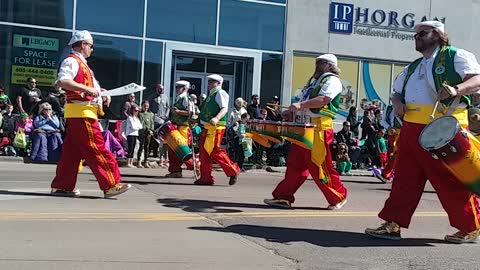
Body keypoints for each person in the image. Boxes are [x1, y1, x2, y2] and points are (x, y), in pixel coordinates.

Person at [365, 21, 480, 243]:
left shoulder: (456, 55)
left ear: (438, 35)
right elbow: (396, 92)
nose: (416, 37)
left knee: (448, 180)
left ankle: (470, 226)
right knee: (404, 179)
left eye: (422, 33)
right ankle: (393, 223)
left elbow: (476, 79)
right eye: (416, 34)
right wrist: (397, 103)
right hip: (411, 128)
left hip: (442, 127)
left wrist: (456, 90)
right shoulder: (414, 66)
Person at [51, 30, 131, 198]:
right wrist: (89, 90)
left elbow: (87, 88)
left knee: (71, 154)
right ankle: (111, 184)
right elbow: (62, 81)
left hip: (79, 113)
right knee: (97, 148)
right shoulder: (71, 61)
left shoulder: (82, 64)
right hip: (82, 113)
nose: (92, 49)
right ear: (82, 45)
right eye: (90, 46)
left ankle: (62, 186)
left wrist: (100, 93)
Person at [264, 54, 347, 209]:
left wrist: (300, 105)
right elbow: (305, 104)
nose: (316, 65)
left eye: (320, 63)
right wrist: (291, 113)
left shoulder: (332, 80)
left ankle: (338, 195)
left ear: (329, 65)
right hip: (304, 127)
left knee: (320, 165)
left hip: (318, 128)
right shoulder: (314, 82)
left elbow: (324, 100)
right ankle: (283, 197)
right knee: (295, 164)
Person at [195, 74, 240, 186]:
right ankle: (206, 178)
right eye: (209, 81)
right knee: (204, 152)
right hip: (207, 126)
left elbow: (224, 108)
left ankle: (233, 170)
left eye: (212, 82)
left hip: (216, 127)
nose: (209, 83)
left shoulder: (220, 93)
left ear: (218, 83)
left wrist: (216, 118)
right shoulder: (211, 95)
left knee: (214, 150)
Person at [165, 80, 199, 178]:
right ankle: (175, 171)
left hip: (183, 127)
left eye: (179, 87)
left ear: (184, 88)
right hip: (176, 126)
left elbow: (191, 113)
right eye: (176, 87)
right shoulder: (178, 98)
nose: (176, 89)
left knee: (182, 150)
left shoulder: (186, 99)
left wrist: (179, 112)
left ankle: (196, 167)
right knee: (172, 149)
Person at [137, 100, 154, 168]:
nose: (146, 107)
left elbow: (151, 122)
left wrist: (151, 130)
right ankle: (139, 161)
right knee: (141, 146)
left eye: (147, 106)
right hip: (142, 132)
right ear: (142, 106)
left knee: (147, 147)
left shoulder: (150, 114)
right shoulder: (140, 114)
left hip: (149, 132)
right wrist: (146, 129)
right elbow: (142, 123)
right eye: (144, 106)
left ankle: (145, 161)